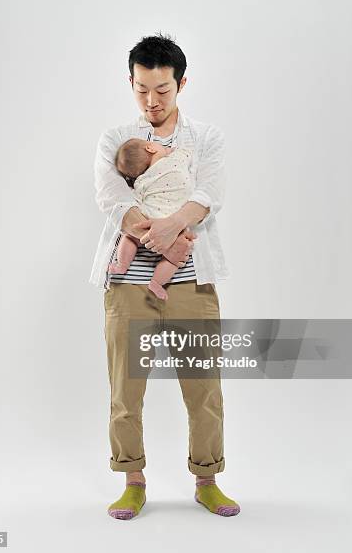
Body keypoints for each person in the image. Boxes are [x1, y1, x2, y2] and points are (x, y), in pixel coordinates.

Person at [89, 32, 240, 519]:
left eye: (162, 90)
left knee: (204, 386)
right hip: (129, 281)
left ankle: (207, 479)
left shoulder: (206, 138)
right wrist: (147, 230)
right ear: (130, 82)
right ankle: (132, 479)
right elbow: (112, 198)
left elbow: (209, 193)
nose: (151, 101)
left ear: (181, 84)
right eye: (141, 89)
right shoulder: (117, 140)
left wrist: (173, 224)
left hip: (191, 279)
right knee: (125, 387)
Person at [109, 137, 194, 300]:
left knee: (129, 236)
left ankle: (122, 265)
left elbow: (136, 199)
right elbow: (187, 151)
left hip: (148, 218)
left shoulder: (141, 180)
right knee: (174, 259)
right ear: (151, 148)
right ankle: (156, 282)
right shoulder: (175, 160)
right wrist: (171, 151)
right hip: (173, 221)